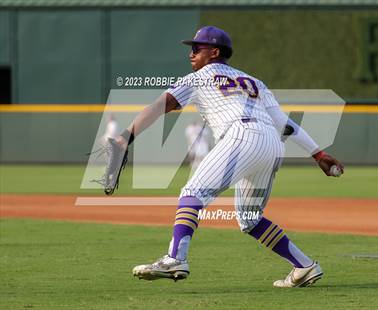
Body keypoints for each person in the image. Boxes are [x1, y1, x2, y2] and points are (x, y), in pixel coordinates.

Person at [115, 26, 344, 288]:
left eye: (196, 48)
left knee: (193, 192)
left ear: (214, 52)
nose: (191, 54)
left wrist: (126, 136)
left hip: (240, 135)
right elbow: (284, 124)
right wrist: (318, 153)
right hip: (270, 142)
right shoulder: (255, 82)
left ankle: (175, 258)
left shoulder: (199, 77)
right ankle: (305, 266)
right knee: (250, 218)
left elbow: (157, 107)